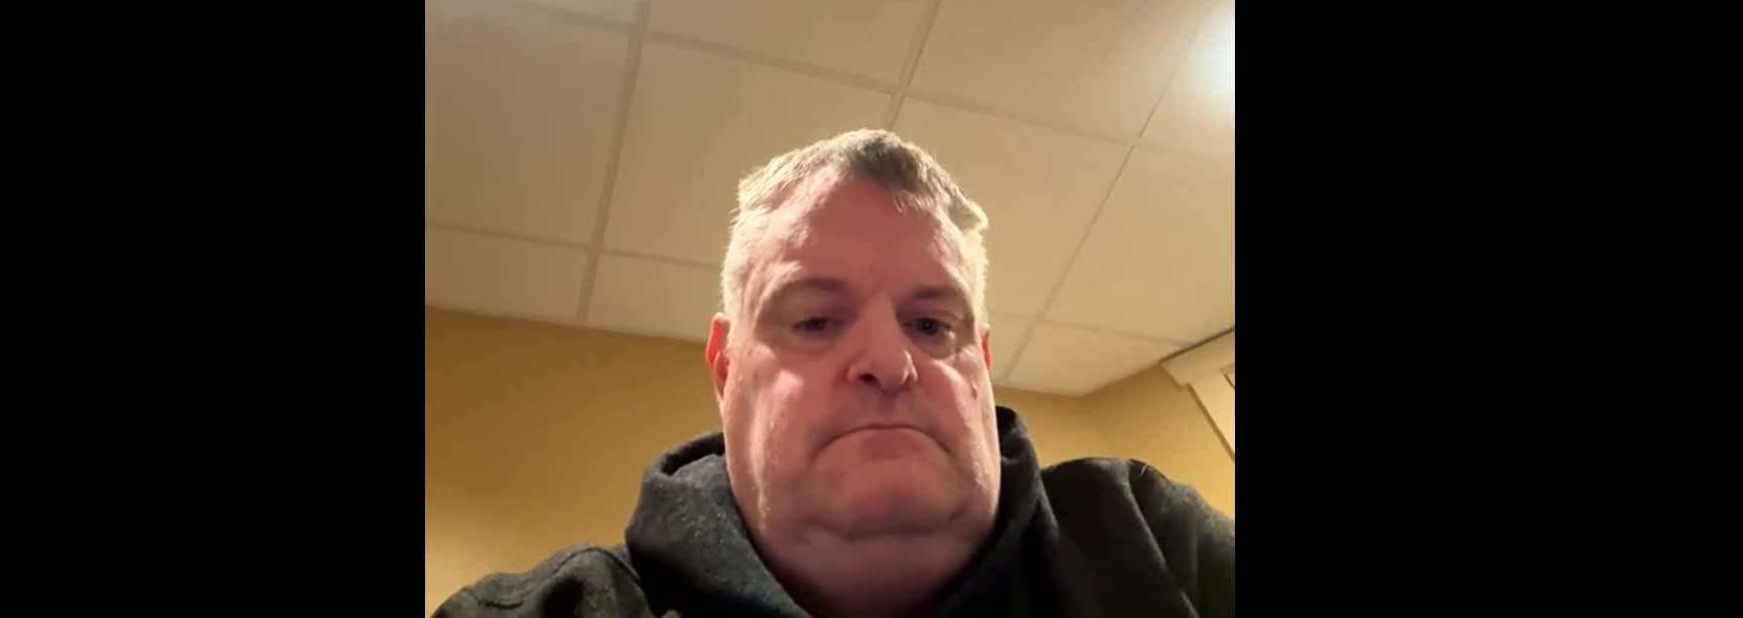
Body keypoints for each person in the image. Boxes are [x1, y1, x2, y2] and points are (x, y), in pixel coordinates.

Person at [433, 129, 1233, 617]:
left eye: (931, 325)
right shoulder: (546, 612)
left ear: (983, 366)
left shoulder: (1152, 541)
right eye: (815, 321)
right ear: (727, 370)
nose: (889, 362)